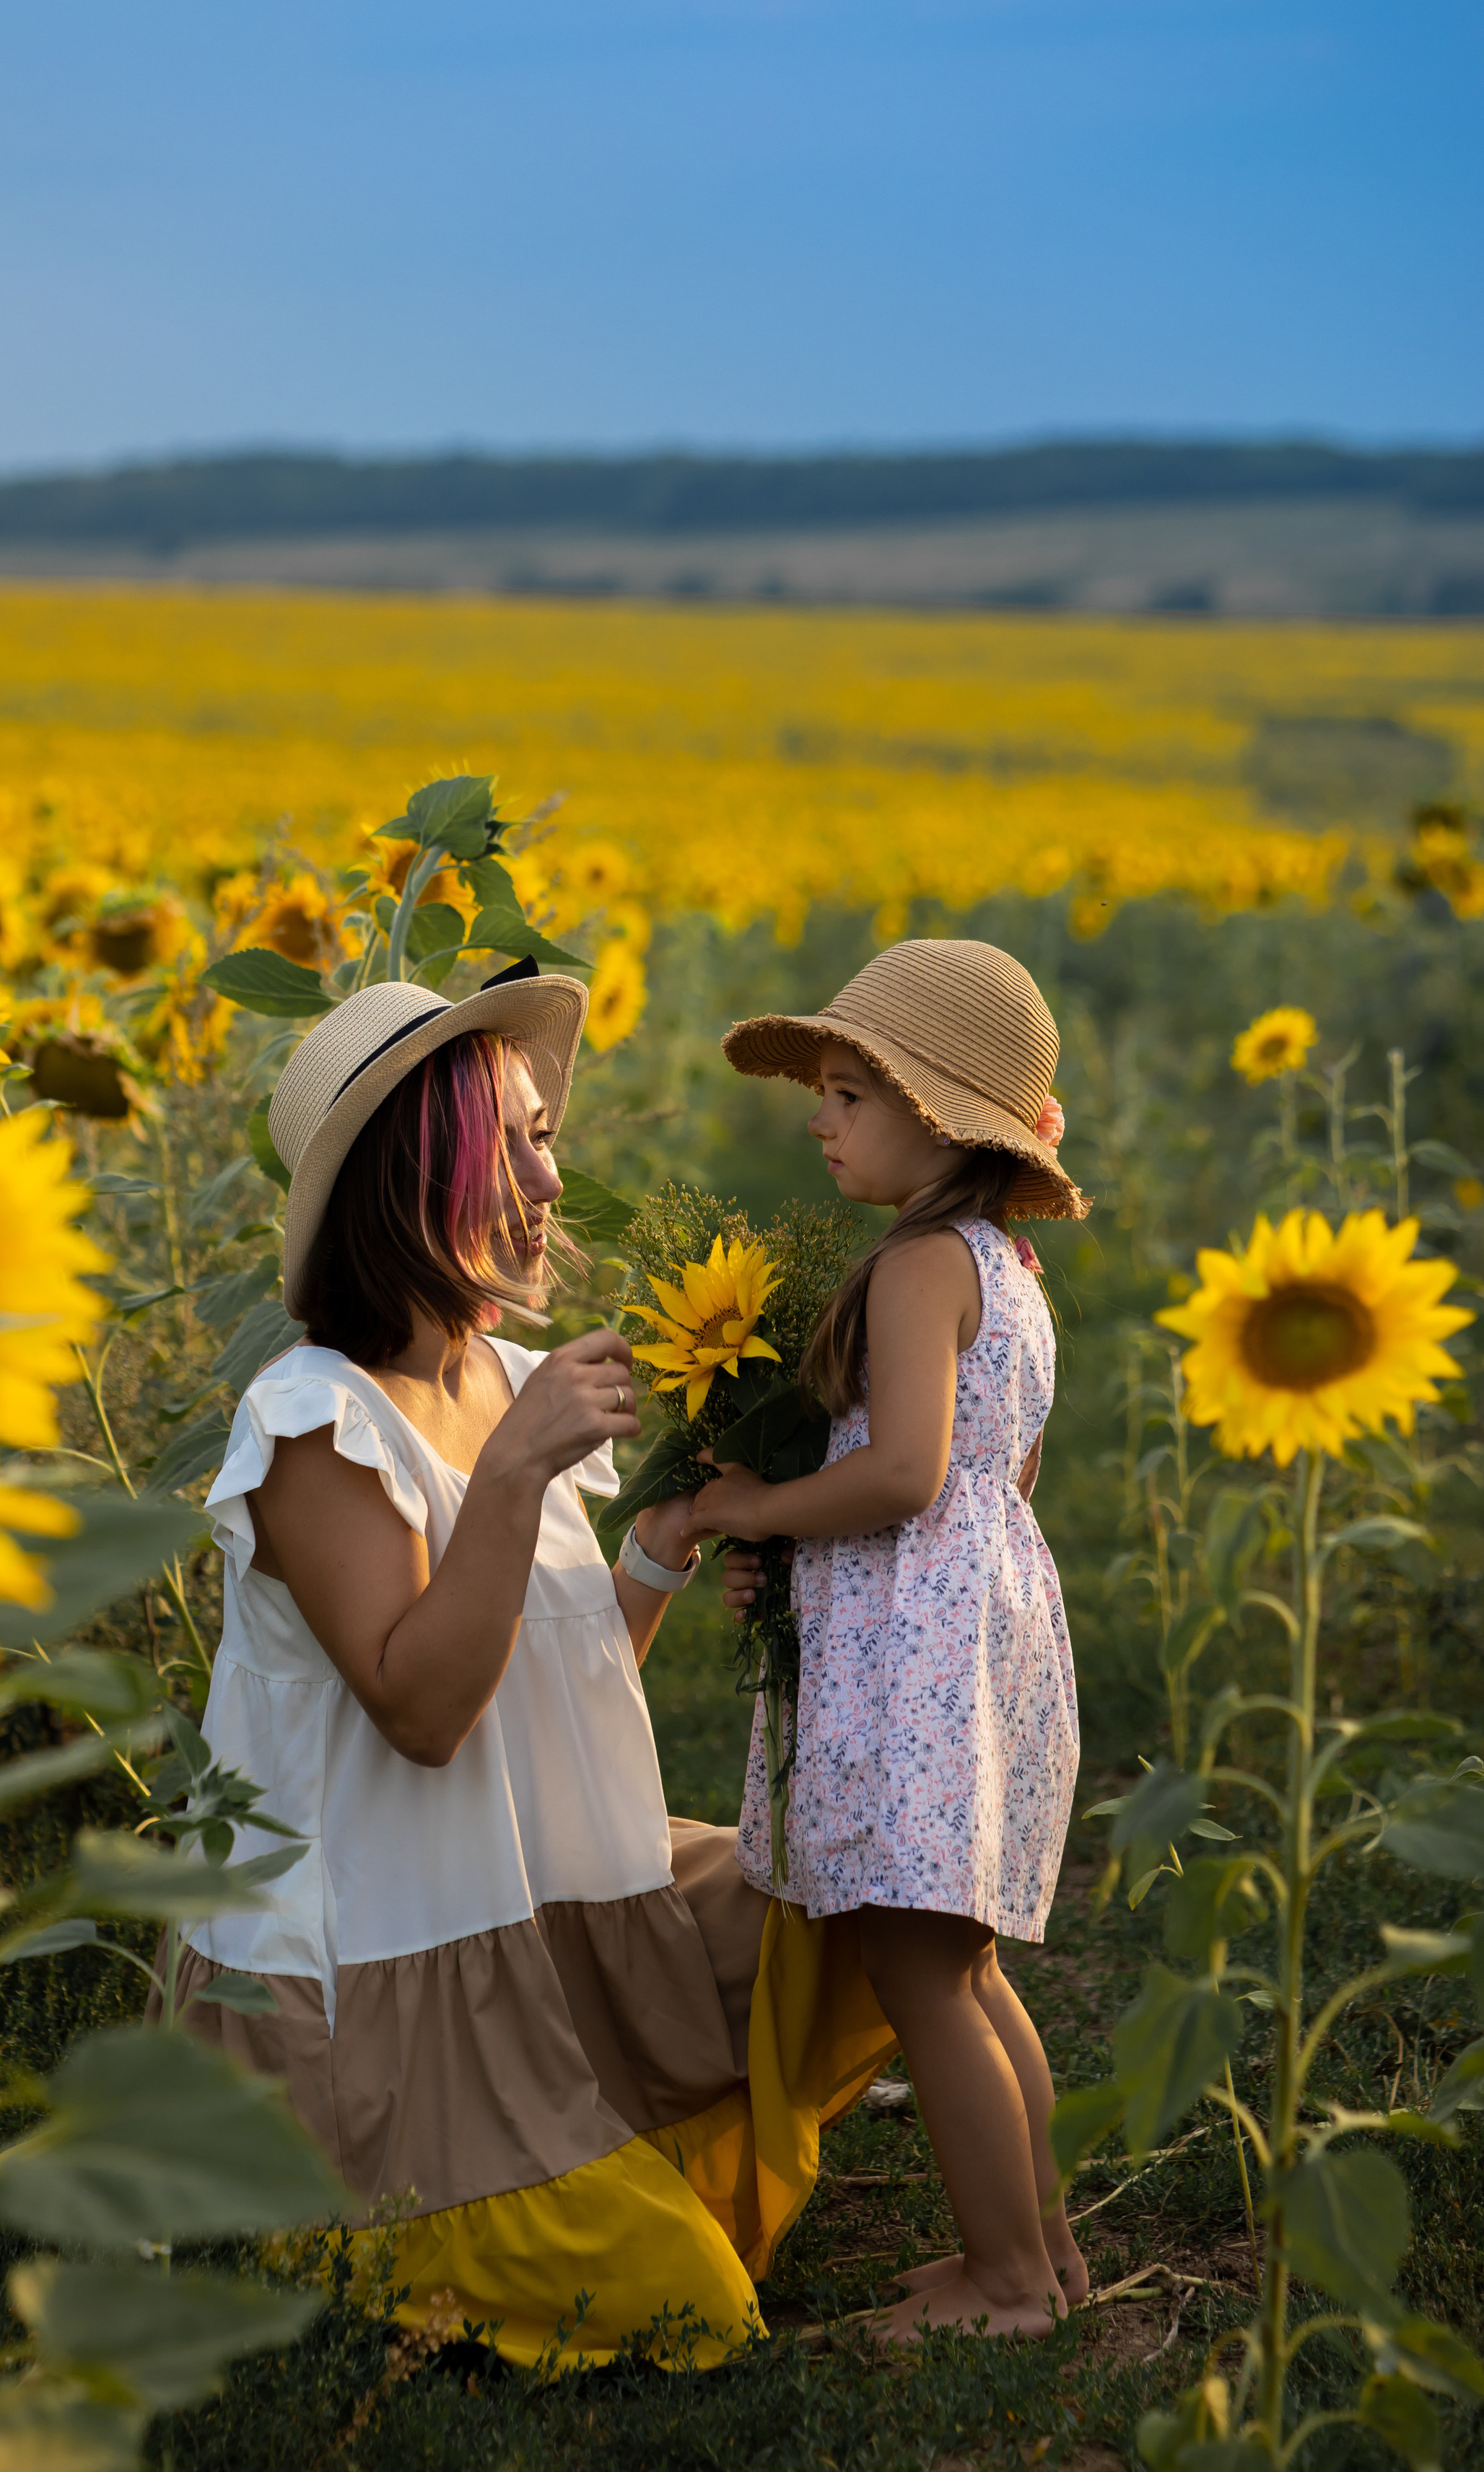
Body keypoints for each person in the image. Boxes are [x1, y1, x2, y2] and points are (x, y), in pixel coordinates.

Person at [160, 964, 894, 2368]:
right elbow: (429, 1713)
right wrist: (513, 1470)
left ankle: (601, 2142)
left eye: (544, 1140)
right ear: (411, 1181)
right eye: (513, 1147)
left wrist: (659, 1549)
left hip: (533, 1911)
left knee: (860, 1892)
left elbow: (539, 1693)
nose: (550, 1184)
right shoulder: (315, 1421)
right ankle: (327, 2216)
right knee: (687, 2307)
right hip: (377, 1989)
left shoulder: (502, 1380)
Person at [698, 938, 1086, 2341]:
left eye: (849, 1093)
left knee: (922, 1977)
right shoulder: (1006, 1263)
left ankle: (1001, 2283)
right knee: (966, 1967)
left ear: (937, 1116)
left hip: (912, 1671)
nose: (821, 1116)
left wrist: (758, 1505)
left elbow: (904, 1475)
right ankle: (1038, 2253)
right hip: (975, 1649)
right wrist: (798, 1559)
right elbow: (999, 1484)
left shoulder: (918, 1268)